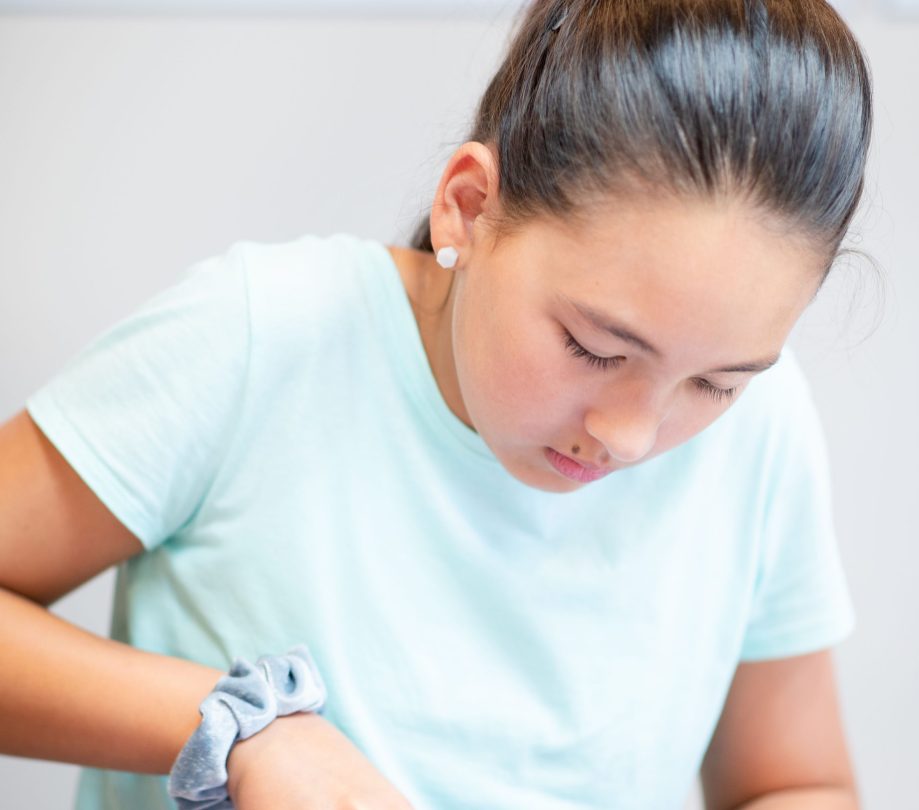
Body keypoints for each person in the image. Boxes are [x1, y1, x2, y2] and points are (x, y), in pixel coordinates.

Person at [0, 0, 874, 808]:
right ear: (467, 206)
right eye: (595, 348)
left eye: (715, 383)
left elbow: (793, 782)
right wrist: (241, 727)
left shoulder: (764, 431)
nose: (634, 436)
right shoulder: (261, 337)